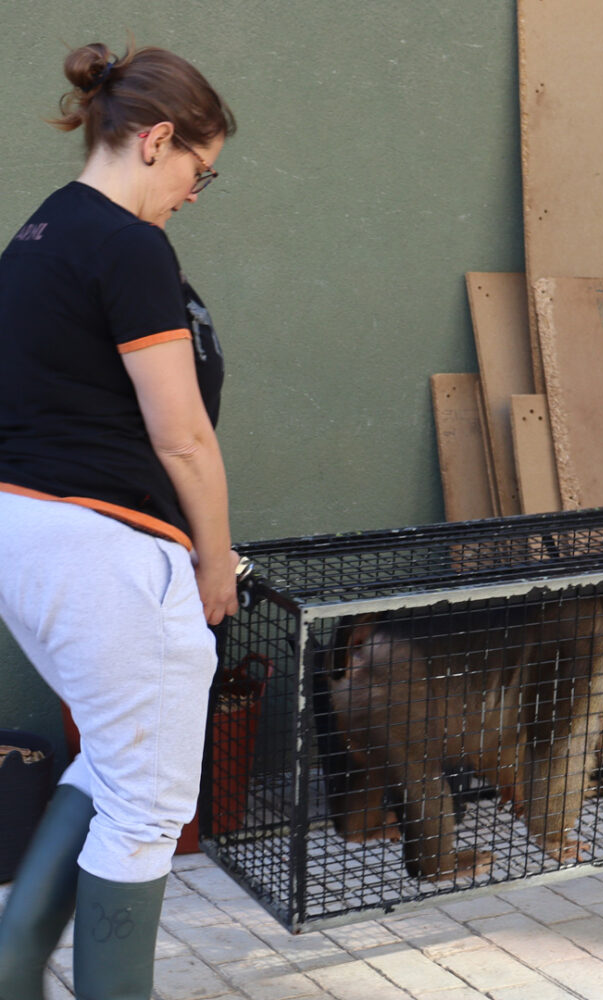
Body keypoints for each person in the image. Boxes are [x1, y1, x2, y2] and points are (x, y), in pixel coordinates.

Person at [0, 41, 237, 998]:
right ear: (157, 139)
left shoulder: (42, 231)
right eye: (198, 172)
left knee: (113, 762)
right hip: (103, 548)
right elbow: (181, 437)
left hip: (30, 535)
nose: (192, 192)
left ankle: (14, 972)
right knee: (147, 809)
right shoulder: (127, 244)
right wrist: (216, 563)